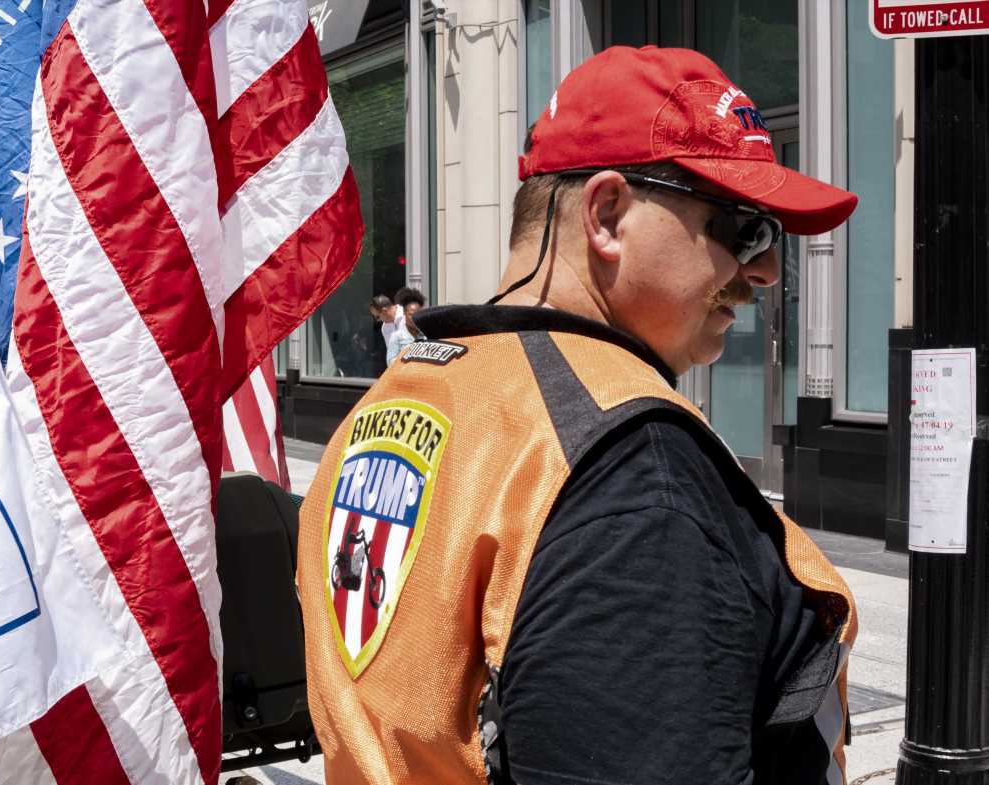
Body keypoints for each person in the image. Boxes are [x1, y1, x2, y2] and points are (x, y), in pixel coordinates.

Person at [298, 46, 860, 785]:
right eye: (743, 228)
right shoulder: (634, 472)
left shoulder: (396, 396)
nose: (764, 272)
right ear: (606, 214)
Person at [385, 288, 427, 364]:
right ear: (404, 312)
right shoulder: (397, 336)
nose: (414, 317)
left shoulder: (426, 335)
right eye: (411, 314)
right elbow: (390, 363)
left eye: (418, 314)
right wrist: (407, 355)